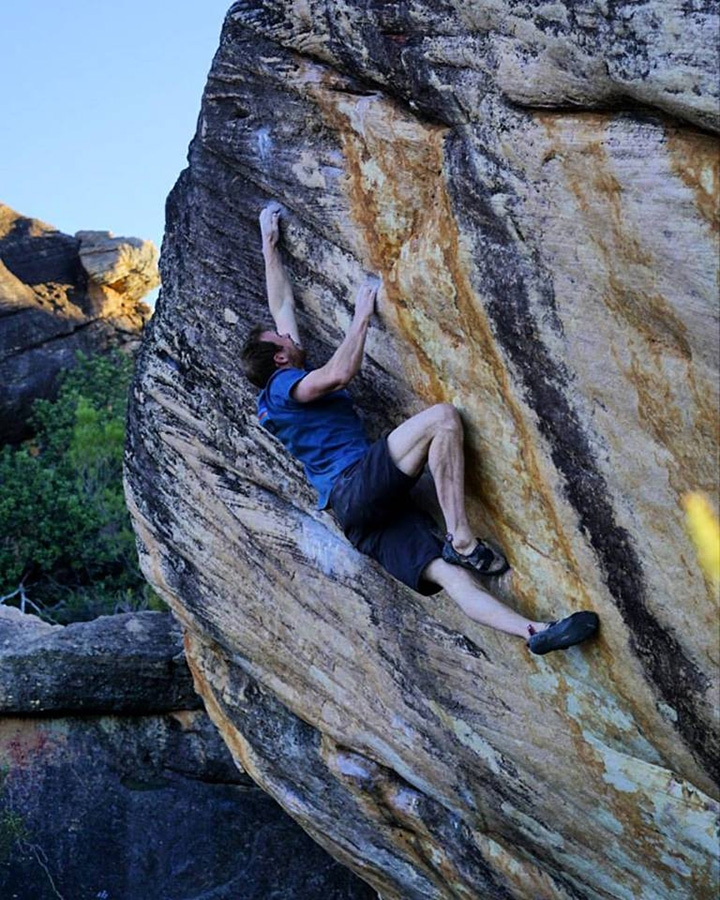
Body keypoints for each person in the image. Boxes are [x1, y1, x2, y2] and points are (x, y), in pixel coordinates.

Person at [241, 202, 598, 655]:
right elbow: (335, 375)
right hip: (354, 485)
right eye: (283, 341)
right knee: (442, 420)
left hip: (358, 522)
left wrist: (268, 241)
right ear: (277, 359)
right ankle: (462, 538)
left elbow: (281, 305)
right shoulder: (283, 385)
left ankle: (535, 633)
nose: (290, 337)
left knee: (448, 576)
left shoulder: (276, 390)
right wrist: (362, 314)